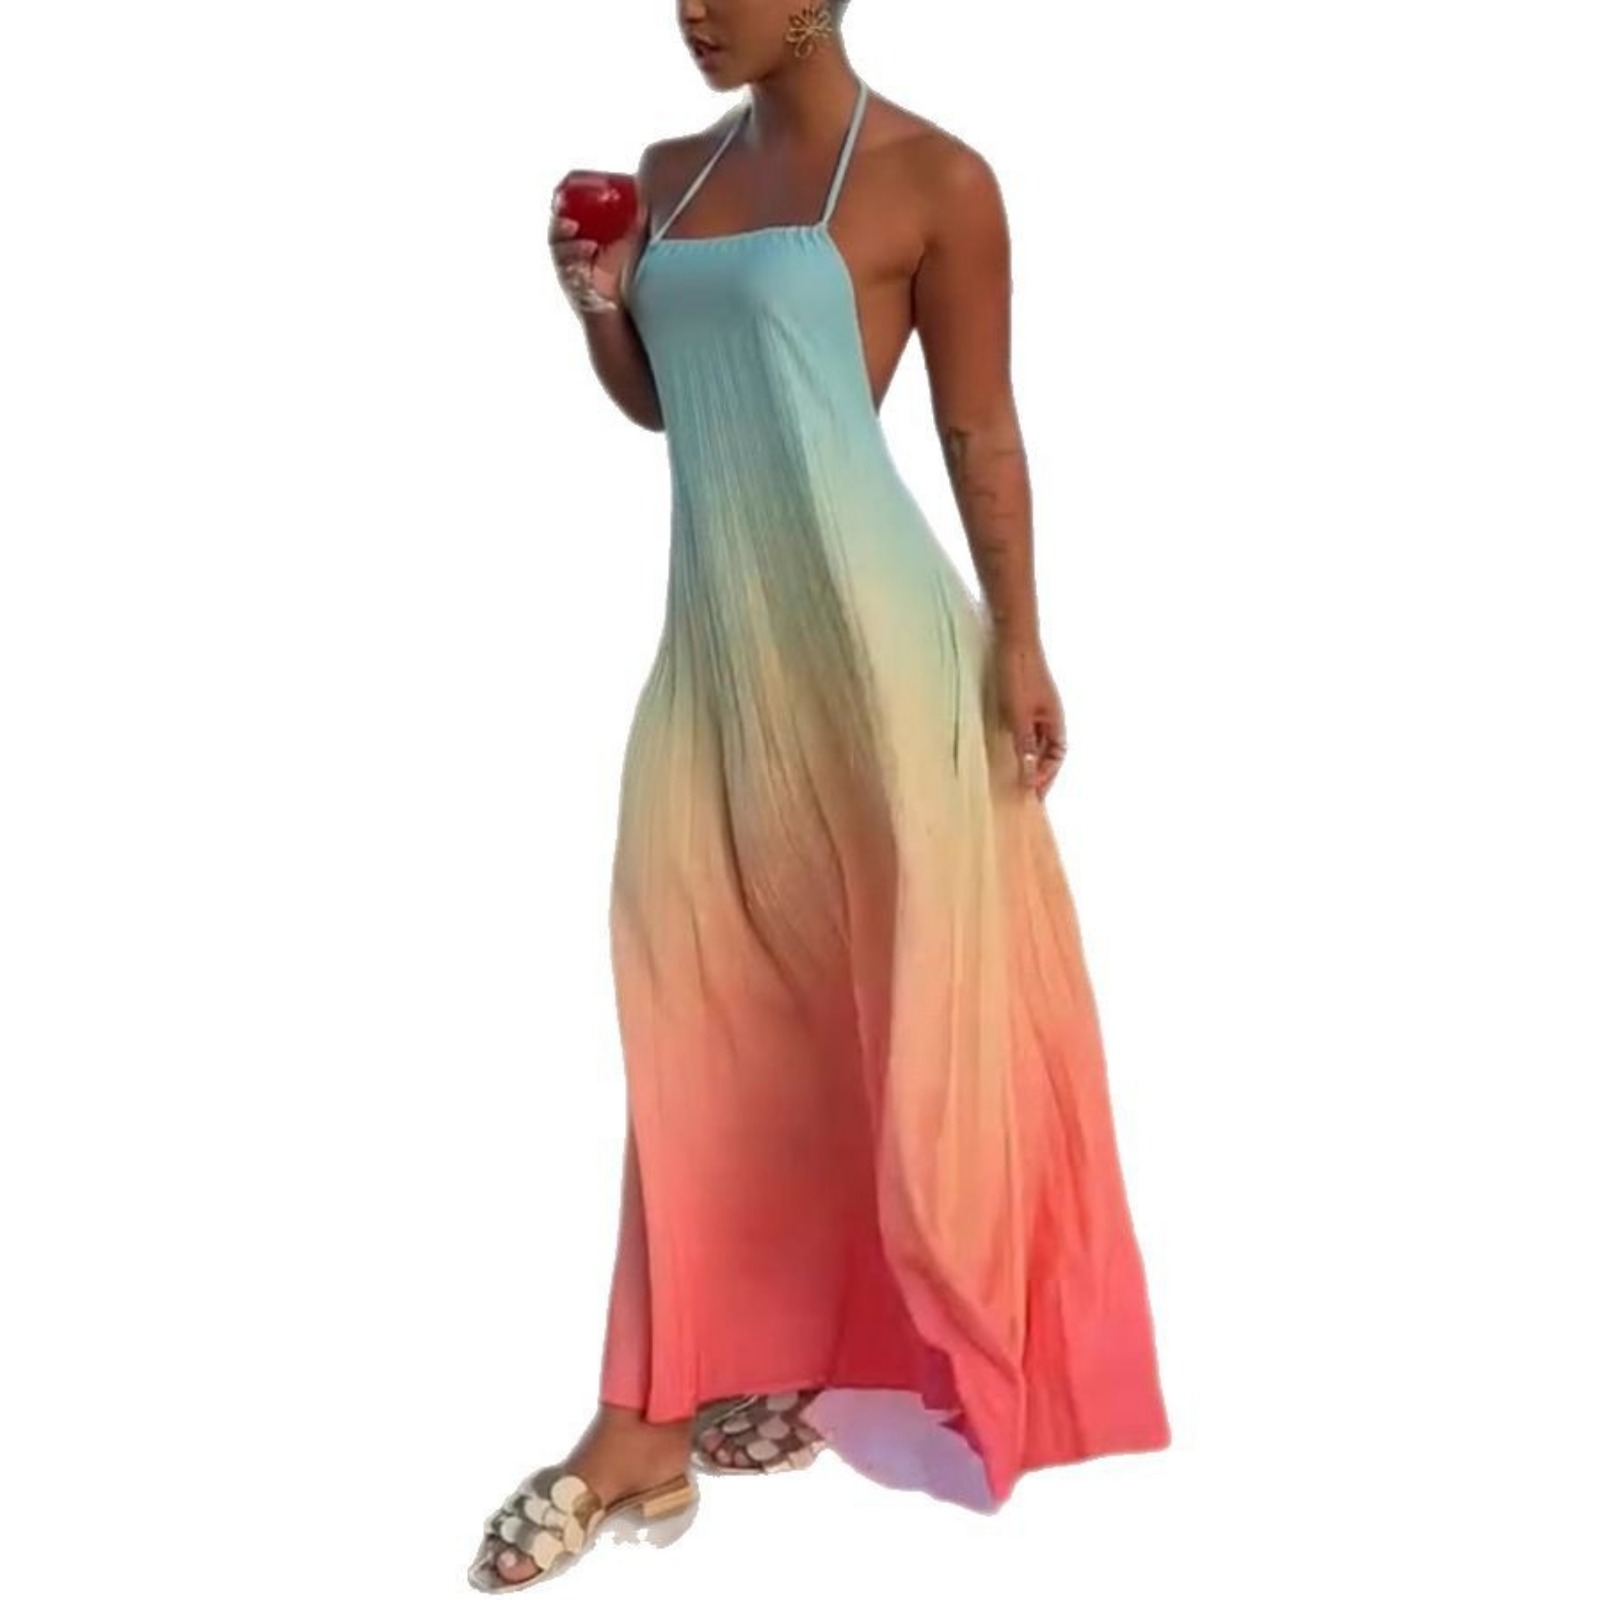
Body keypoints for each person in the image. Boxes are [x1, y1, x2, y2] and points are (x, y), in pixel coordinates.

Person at [468, 1, 1170, 1589]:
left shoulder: (935, 179)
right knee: (699, 1012)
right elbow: (668, 401)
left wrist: (1023, 640)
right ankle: (715, 1381)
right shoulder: (667, 174)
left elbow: (978, 425)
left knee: (906, 1020)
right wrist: (599, 305)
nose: (696, 9)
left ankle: (669, 1418)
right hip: (725, 655)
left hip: (878, 653)